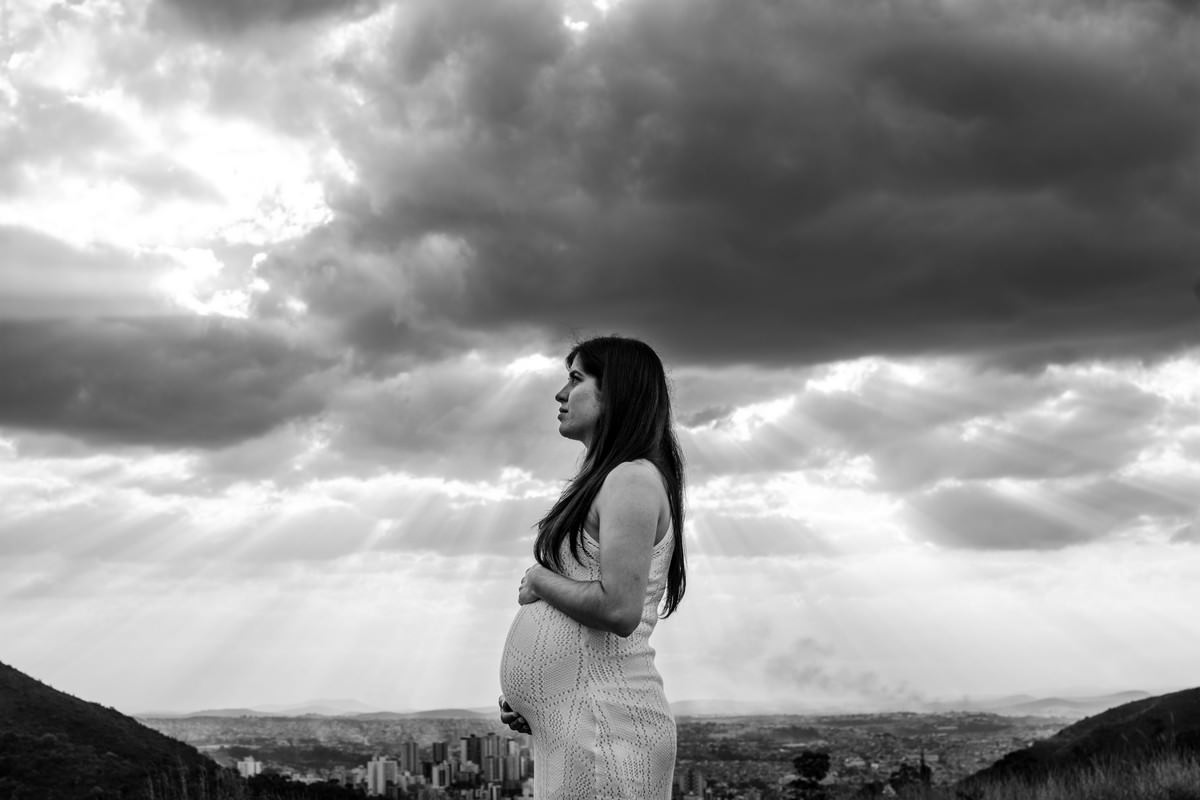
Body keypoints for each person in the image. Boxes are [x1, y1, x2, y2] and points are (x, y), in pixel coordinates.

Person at [498, 335, 687, 800]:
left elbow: (618, 609)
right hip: (583, 726)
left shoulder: (632, 479)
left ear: (614, 393)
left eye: (576, 379)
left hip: (608, 731)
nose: (560, 394)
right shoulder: (610, 480)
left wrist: (540, 579)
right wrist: (542, 703)